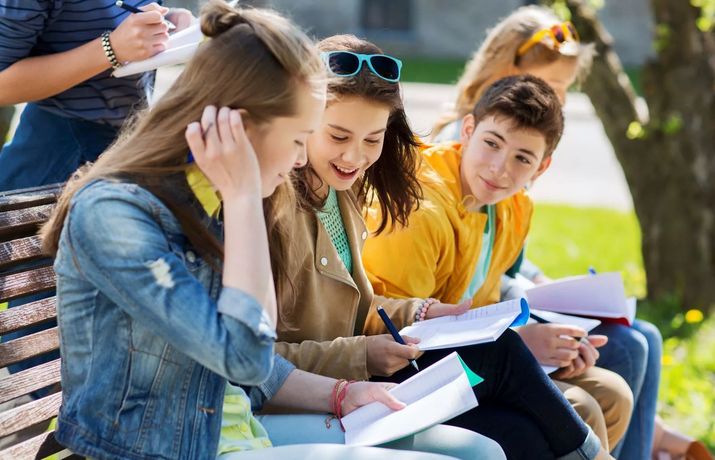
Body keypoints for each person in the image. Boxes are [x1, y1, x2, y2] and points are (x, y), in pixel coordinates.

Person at [37, 4, 471, 460]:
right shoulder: (117, 217)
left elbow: (254, 361)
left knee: (475, 452)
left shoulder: (216, 199)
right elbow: (245, 354)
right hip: (159, 451)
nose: (301, 159)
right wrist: (245, 198)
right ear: (240, 127)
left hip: (234, 435)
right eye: (297, 138)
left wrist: (342, 395)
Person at [262, 33, 615, 460]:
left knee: (524, 435)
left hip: (361, 380)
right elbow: (258, 360)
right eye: (338, 137)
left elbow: (357, 308)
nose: (354, 156)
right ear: (303, 120)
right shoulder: (273, 208)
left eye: (373, 140)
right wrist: (364, 353)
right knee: (503, 362)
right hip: (314, 398)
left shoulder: (343, 192)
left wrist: (421, 312)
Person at [428, 6, 664, 460]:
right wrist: (531, 309)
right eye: (548, 86)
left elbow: (500, 262)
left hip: (493, 316)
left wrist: (544, 291)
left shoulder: (513, 179)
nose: (555, 100)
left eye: (563, 90)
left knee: (640, 337)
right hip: (475, 333)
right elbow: (454, 295)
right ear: (509, 75)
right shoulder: (467, 159)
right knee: (626, 349)